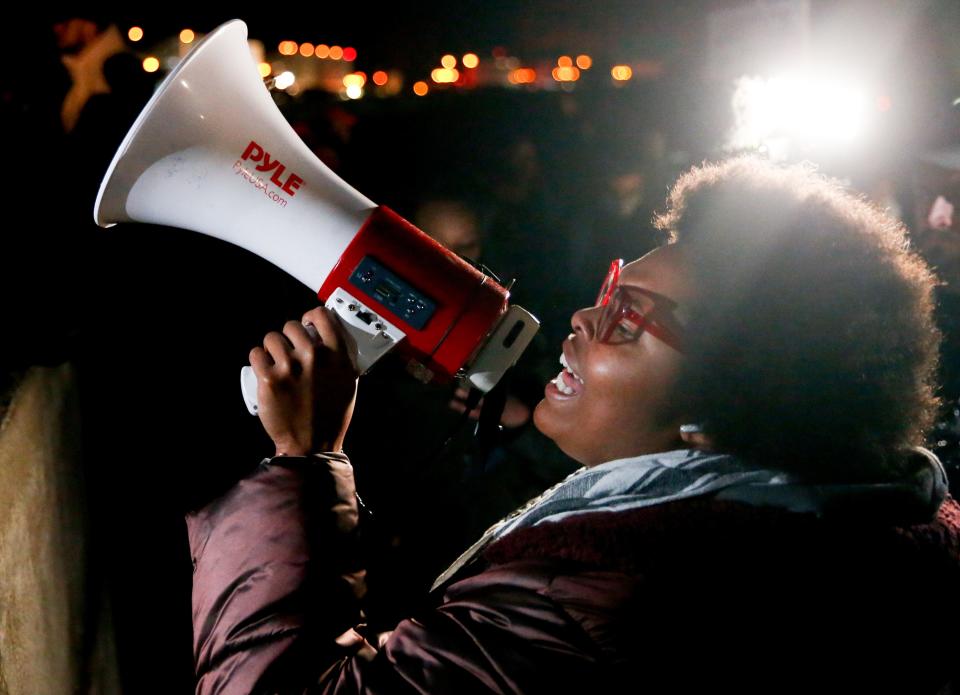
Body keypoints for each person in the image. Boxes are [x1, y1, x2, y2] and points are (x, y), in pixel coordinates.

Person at [186, 157, 960, 694]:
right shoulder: (857, 522)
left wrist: (303, 460)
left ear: (734, 400)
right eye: (612, 287)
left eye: (629, 318)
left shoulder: (608, 601)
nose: (585, 317)